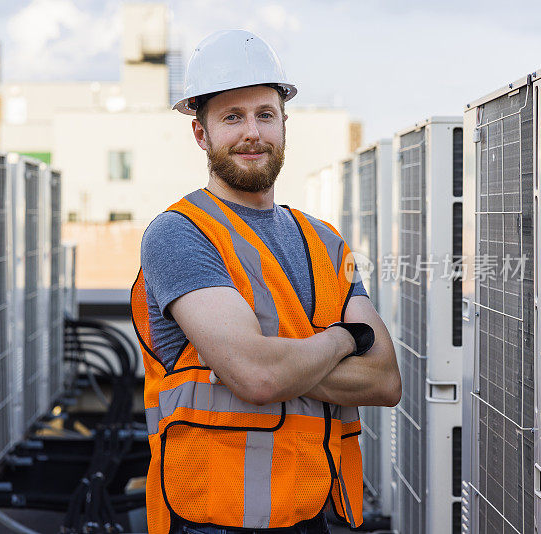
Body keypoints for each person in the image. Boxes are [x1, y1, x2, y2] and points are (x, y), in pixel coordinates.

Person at [130, 30, 401, 534]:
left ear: (283, 124)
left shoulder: (326, 241)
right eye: (232, 117)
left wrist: (258, 361)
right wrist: (346, 339)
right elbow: (258, 377)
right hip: (212, 517)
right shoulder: (180, 234)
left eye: (265, 114)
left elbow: (385, 380)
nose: (252, 132)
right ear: (201, 134)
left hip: (318, 509)